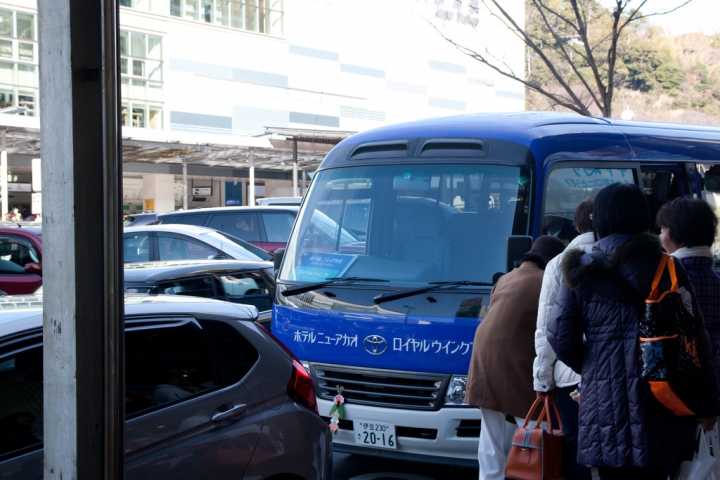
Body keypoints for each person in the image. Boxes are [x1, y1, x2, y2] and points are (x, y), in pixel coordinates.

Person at [547, 183, 720, 480]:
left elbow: (559, 335)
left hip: (604, 408)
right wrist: (708, 403)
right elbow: (696, 335)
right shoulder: (669, 267)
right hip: (663, 400)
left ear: (598, 219)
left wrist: (594, 366)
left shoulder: (579, 270)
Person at [466, 235, 566, 480]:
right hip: (517, 358)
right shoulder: (548, 280)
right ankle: (531, 475)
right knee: (536, 427)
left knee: (491, 432)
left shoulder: (506, 278)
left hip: (484, 358)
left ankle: (490, 477)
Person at [533, 197, 595, 480]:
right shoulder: (624, 256)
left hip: (569, 375)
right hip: (615, 373)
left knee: (573, 444)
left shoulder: (558, 264)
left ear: (577, 224)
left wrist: (542, 379)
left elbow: (548, 327)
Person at [656, 197, 720, 386]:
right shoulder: (716, 280)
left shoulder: (661, 282)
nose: (660, 237)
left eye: (662, 230)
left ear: (680, 236)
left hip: (674, 386)